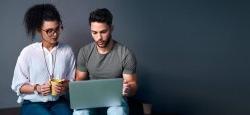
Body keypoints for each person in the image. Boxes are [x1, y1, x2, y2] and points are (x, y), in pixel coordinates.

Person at [11, 4, 75, 115]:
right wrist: (37, 88)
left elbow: (73, 81)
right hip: (32, 103)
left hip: (59, 101)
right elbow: (17, 86)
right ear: (38, 30)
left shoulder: (67, 51)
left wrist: (63, 86)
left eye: (57, 28)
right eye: (49, 31)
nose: (55, 34)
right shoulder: (28, 52)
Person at [74, 8, 137, 115]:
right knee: (80, 113)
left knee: (118, 112)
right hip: (90, 98)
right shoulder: (84, 52)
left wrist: (128, 89)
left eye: (103, 32)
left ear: (111, 28)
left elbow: (132, 85)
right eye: (94, 33)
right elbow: (79, 80)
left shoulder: (125, 53)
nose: (99, 37)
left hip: (116, 101)